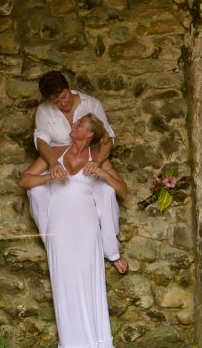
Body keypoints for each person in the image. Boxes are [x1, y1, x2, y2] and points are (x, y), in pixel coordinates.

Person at [19, 114, 127, 348]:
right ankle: (73, 346)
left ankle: (97, 342)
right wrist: (50, 174)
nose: (73, 125)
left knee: (89, 278)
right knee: (63, 280)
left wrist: (102, 173)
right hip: (59, 223)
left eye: (79, 124)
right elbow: (24, 180)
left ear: (89, 134)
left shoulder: (96, 157)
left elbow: (122, 190)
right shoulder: (54, 153)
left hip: (87, 224)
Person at [30, 70, 128, 273]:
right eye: (55, 101)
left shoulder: (91, 104)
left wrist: (98, 161)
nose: (62, 103)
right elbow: (41, 141)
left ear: (69, 89)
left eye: (63, 97)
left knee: (107, 192)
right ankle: (54, 245)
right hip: (58, 162)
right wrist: (53, 163)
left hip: (89, 160)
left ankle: (112, 251)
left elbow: (107, 137)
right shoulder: (44, 111)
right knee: (36, 192)